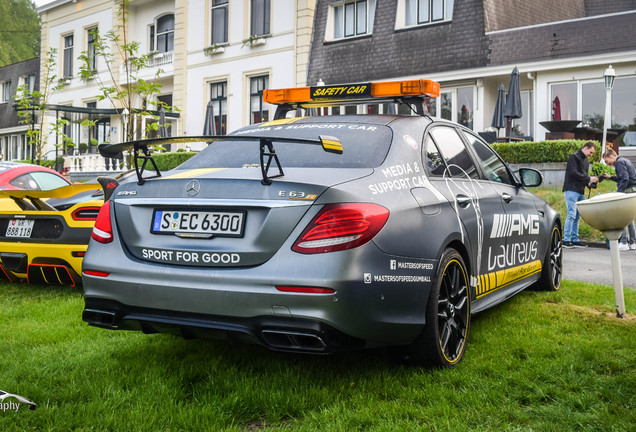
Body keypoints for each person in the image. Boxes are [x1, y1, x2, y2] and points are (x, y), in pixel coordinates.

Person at [562, 141, 599, 248]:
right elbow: (573, 173)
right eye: (590, 152)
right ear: (586, 148)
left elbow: (582, 176)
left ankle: (574, 239)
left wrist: (589, 183)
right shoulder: (573, 157)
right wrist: (588, 178)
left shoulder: (586, 161)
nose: (591, 155)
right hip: (571, 189)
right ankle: (566, 239)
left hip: (579, 190)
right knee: (571, 214)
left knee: (577, 216)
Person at [602, 148, 636, 250]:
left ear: (611, 156)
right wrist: (611, 177)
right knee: (630, 218)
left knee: (621, 217)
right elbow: (624, 177)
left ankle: (624, 242)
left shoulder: (619, 163)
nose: (608, 164)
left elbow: (625, 179)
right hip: (633, 190)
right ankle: (633, 243)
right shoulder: (626, 161)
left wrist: (619, 193)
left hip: (628, 190)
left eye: (607, 161)